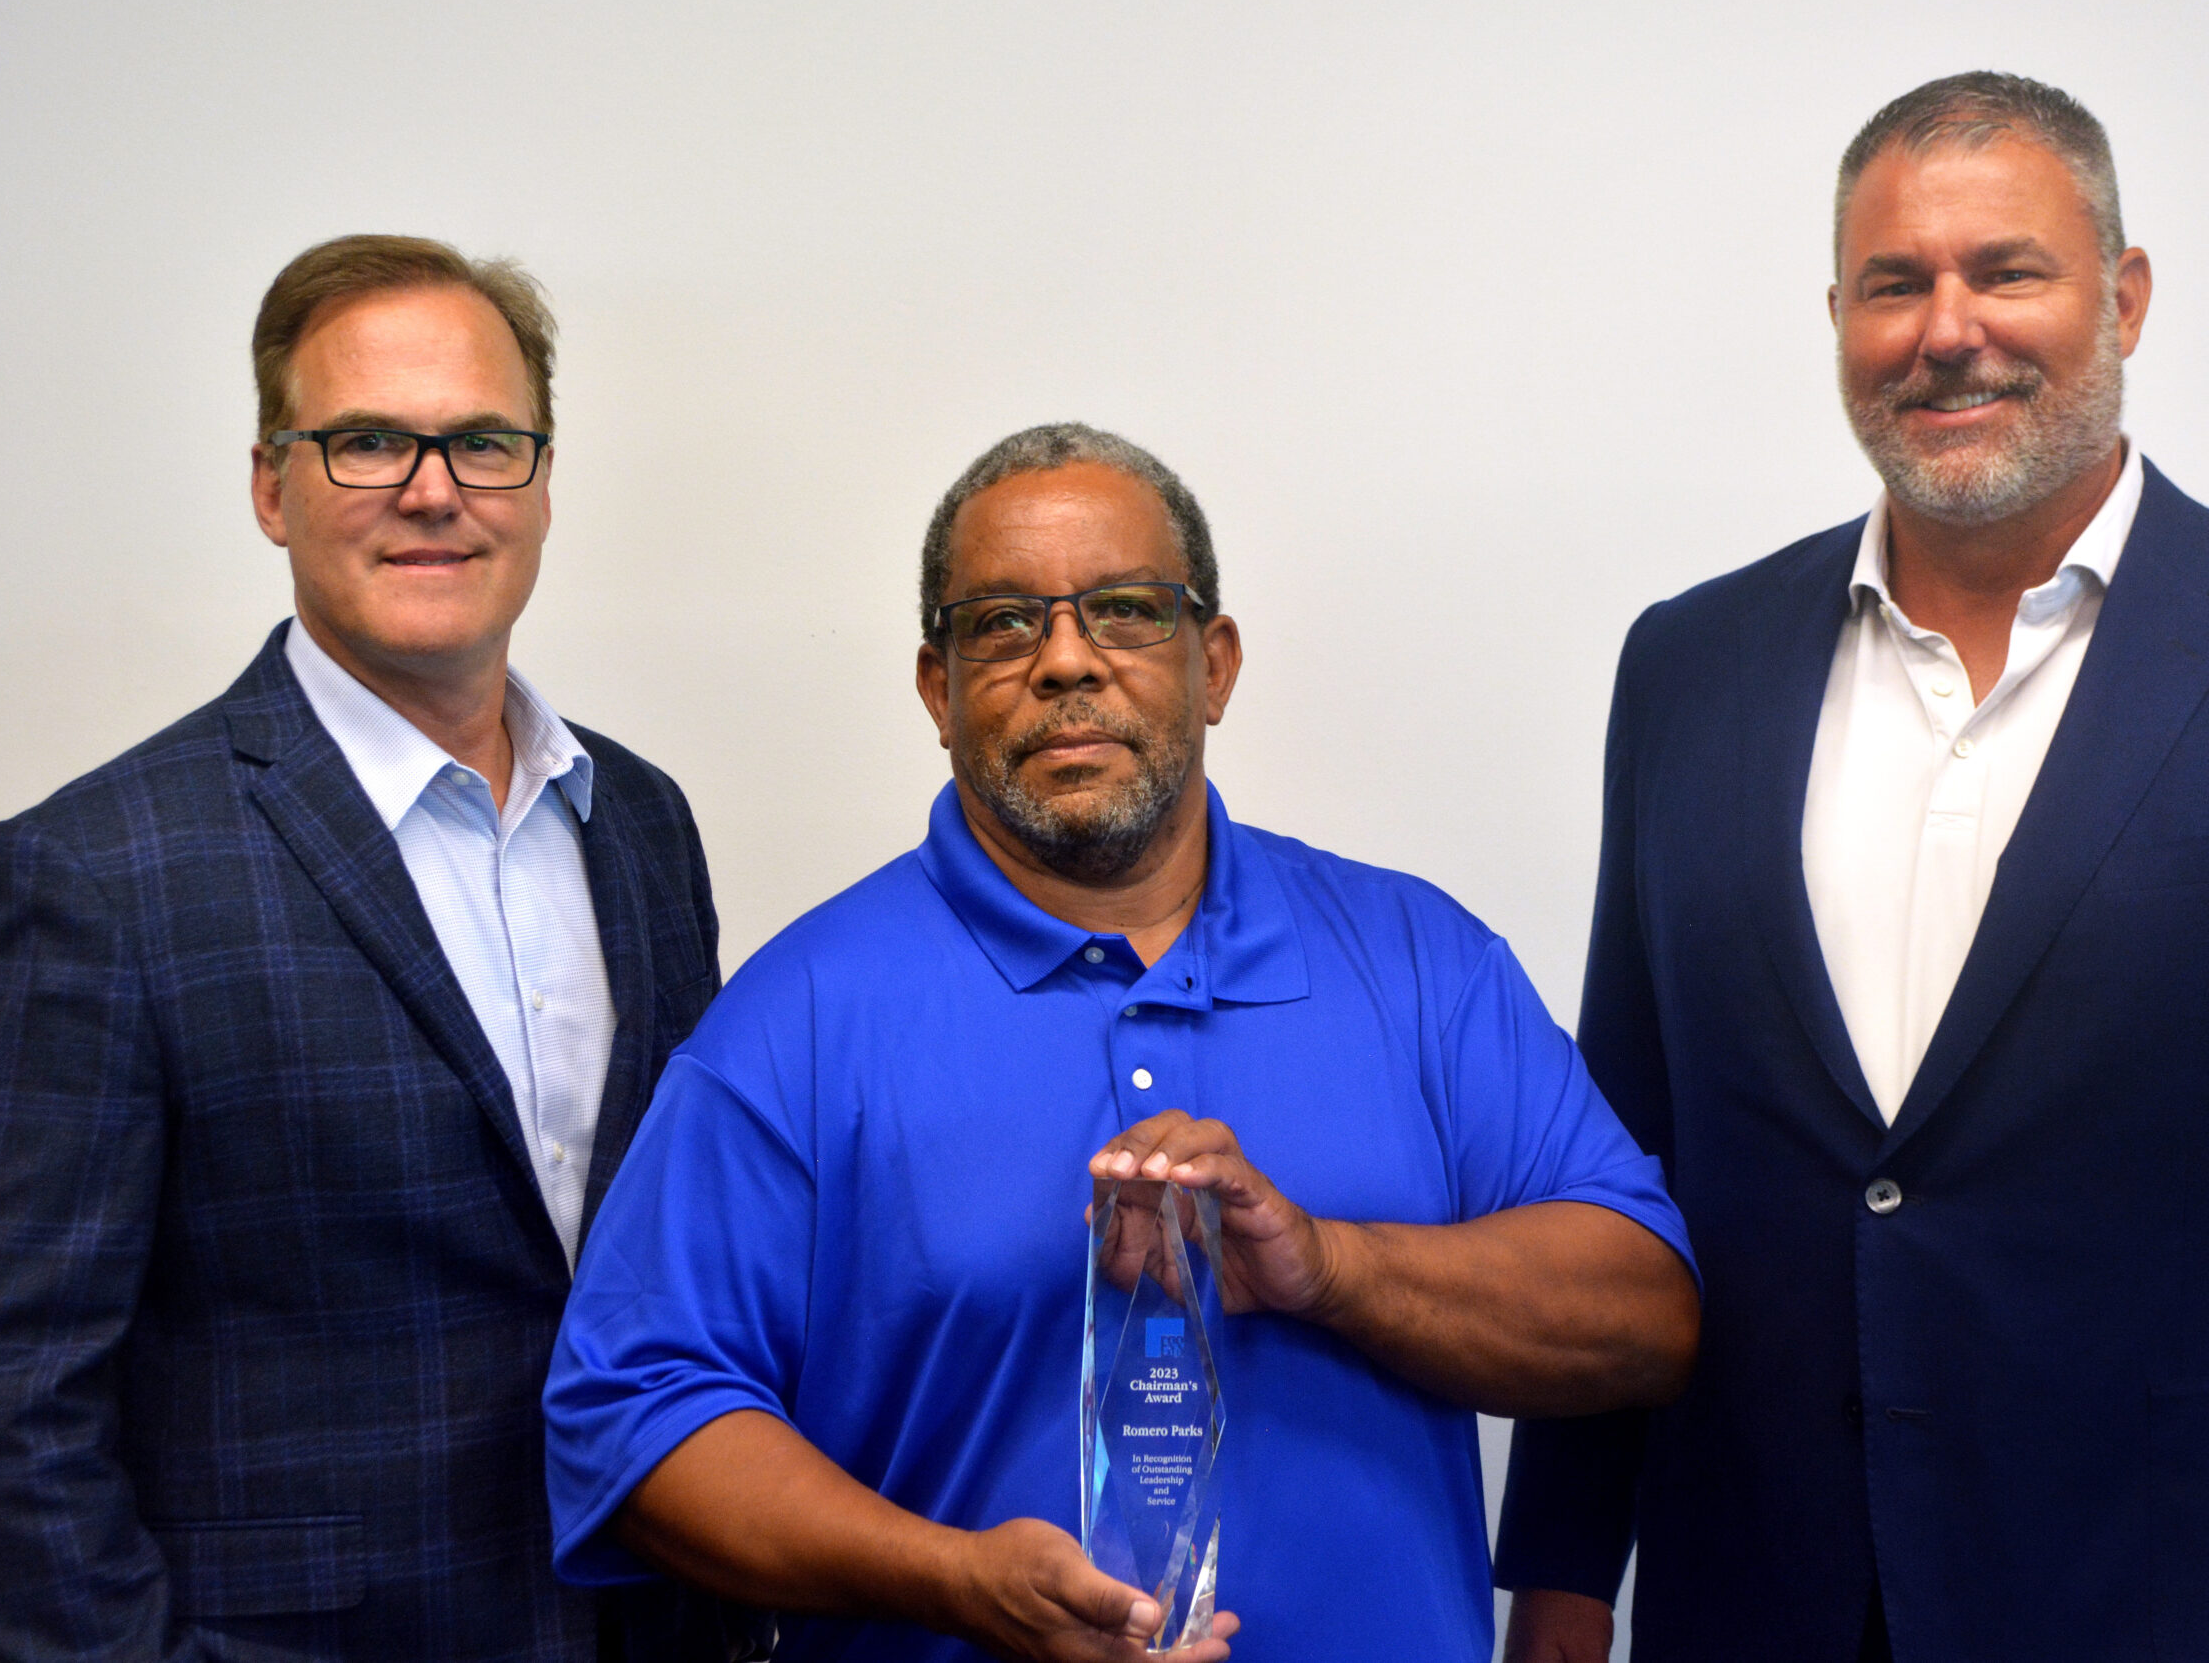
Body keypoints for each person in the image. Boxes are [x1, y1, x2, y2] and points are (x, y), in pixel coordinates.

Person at [1494, 71, 2209, 1663]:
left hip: (2187, 1596)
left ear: (2125, 295)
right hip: (1761, 1589)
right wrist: (1558, 1574)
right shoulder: (1689, 668)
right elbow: (1628, 1155)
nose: (1947, 328)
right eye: (1896, 284)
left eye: (2005, 269)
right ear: (1838, 317)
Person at [542, 422, 1703, 1662]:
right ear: (936, 691)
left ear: (1216, 663)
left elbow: (1642, 1313)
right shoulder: (801, 1017)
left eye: (1125, 611)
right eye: (999, 623)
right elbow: (633, 1416)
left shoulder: (1421, 962)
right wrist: (952, 1581)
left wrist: (1330, 1268)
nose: (1064, 662)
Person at [0, 235, 748, 1661]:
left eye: (483, 441)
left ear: (541, 480)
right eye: (368, 440)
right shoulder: (99, 871)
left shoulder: (641, 823)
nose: (434, 491)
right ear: (270, 486)